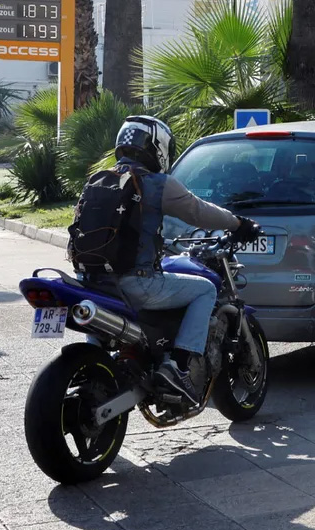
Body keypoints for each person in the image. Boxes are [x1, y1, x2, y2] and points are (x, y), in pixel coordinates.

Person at [80, 116, 260, 404]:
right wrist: (238, 224)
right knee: (205, 289)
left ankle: (96, 365)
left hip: (92, 282)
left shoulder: (100, 179)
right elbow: (199, 212)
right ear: (157, 147)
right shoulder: (156, 184)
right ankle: (178, 366)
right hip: (136, 284)